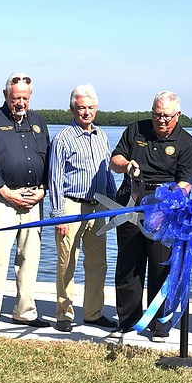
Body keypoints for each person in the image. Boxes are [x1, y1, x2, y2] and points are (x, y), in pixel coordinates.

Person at [110, 91, 192, 341]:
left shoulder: (186, 142)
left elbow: (186, 184)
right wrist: (126, 165)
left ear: (177, 115)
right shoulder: (135, 130)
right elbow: (114, 159)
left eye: (166, 116)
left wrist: (163, 210)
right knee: (128, 265)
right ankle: (127, 321)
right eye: (156, 114)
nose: (160, 120)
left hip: (165, 211)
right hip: (130, 204)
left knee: (161, 267)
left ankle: (160, 323)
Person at [0, 72, 50, 335]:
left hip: (33, 200)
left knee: (29, 260)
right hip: (2, 200)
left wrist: (44, 190)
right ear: (5, 95)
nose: (20, 103)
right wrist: (5, 192)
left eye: (25, 98)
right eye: (16, 97)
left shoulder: (39, 122)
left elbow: (48, 161)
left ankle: (25, 312)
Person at [48, 84, 118, 332]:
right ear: (72, 109)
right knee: (67, 263)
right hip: (70, 205)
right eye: (81, 108)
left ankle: (93, 313)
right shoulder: (63, 138)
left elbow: (108, 174)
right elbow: (54, 178)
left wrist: (113, 207)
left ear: (96, 109)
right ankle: (64, 314)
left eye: (90, 108)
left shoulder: (102, 136)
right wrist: (58, 215)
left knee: (98, 263)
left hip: (98, 206)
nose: (86, 112)